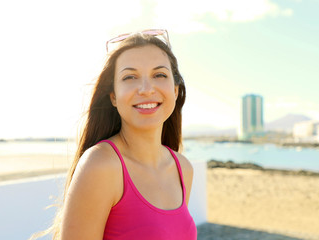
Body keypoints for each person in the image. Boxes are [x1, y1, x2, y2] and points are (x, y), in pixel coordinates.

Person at [31, 29, 197, 240]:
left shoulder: (183, 169)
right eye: (130, 77)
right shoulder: (101, 165)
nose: (146, 89)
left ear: (175, 90)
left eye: (159, 75)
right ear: (114, 97)